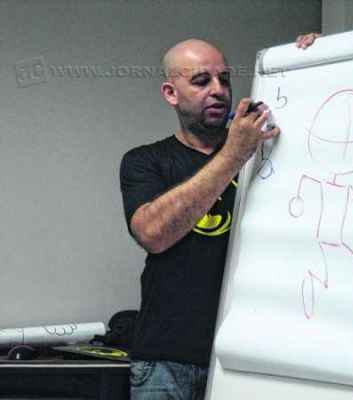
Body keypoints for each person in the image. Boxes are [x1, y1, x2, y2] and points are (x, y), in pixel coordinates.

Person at [120, 33, 319, 400]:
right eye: (201, 81)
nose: (218, 90)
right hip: (168, 361)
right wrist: (232, 155)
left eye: (224, 79)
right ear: (171, 93)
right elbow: (152, 233)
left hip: (251, 354)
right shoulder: (146, 161)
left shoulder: (264, 153)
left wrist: (319, 57)